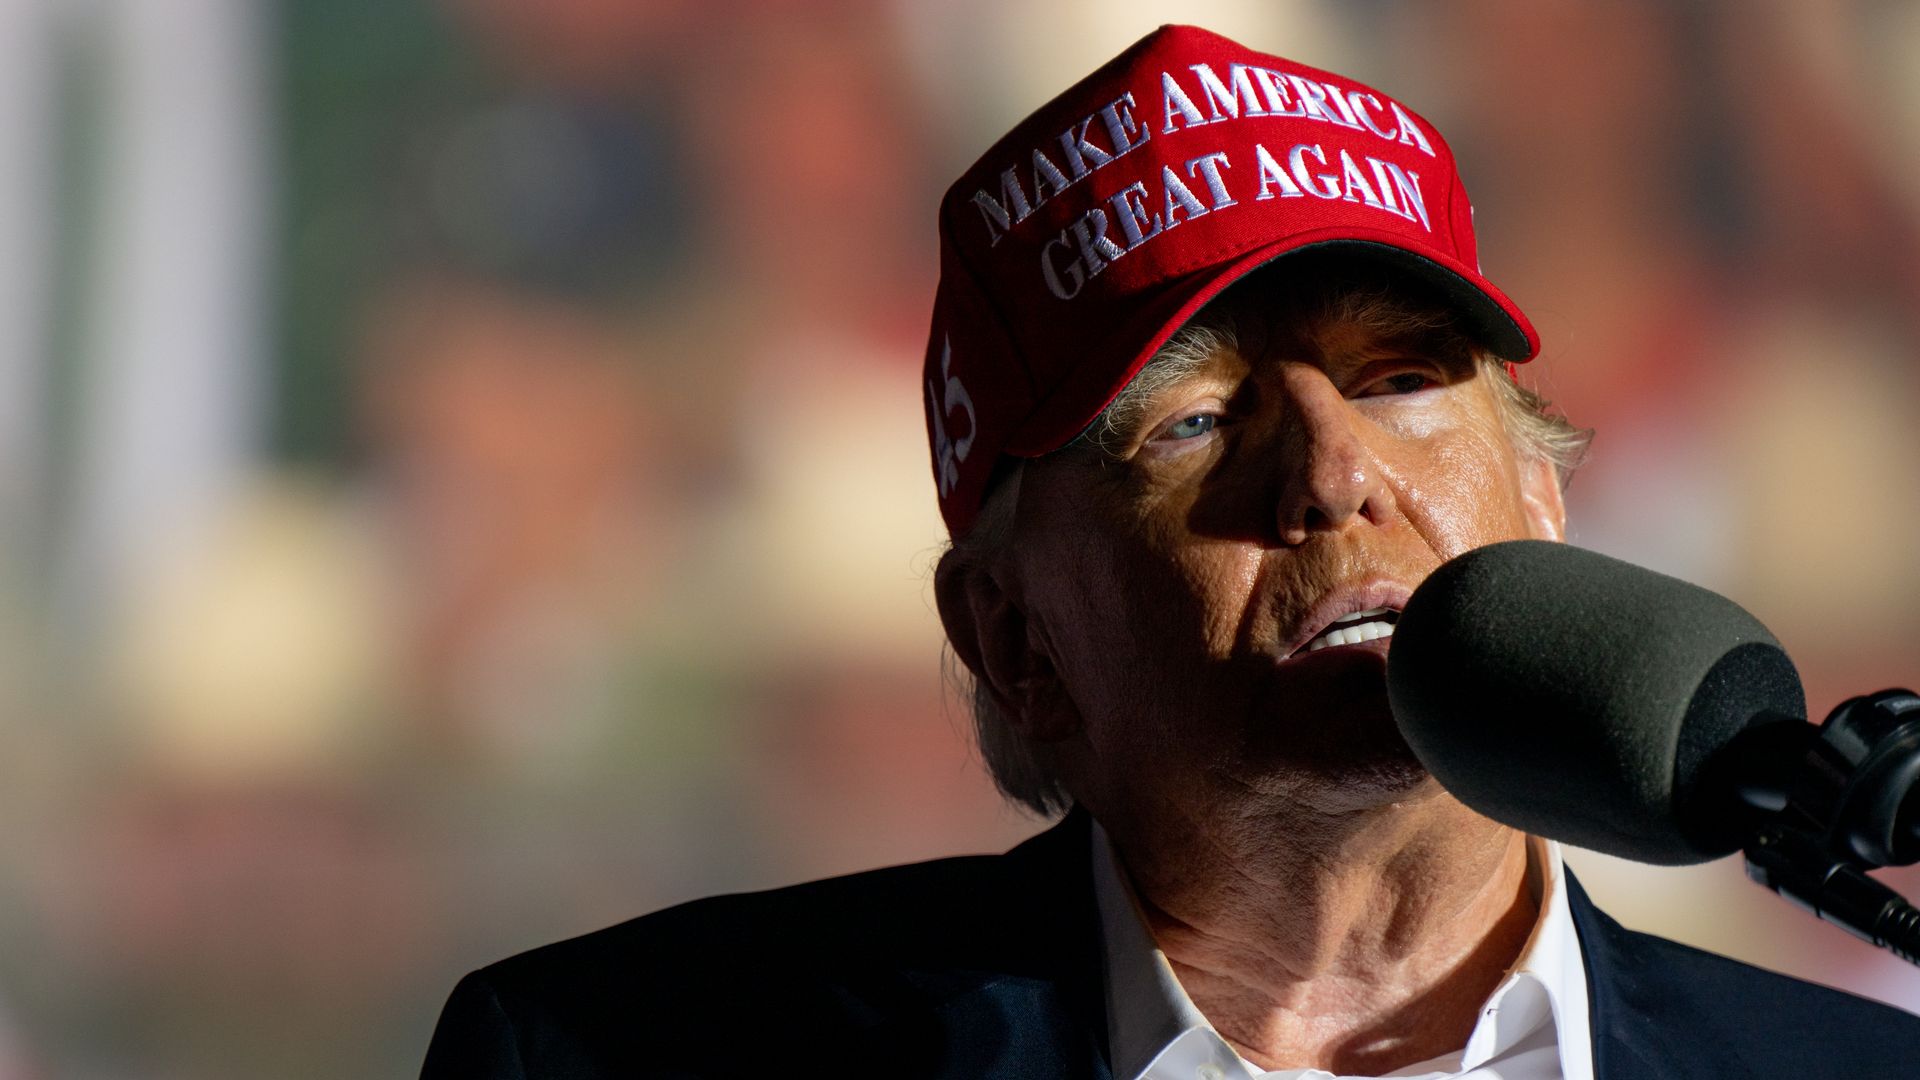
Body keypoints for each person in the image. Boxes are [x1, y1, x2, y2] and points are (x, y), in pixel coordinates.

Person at [421, 25, 1920, 1078]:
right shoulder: (609, 1057)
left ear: (1545, 500)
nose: (1335, 474)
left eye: (1403, 381)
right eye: (1196, 425)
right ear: (1015, 638)